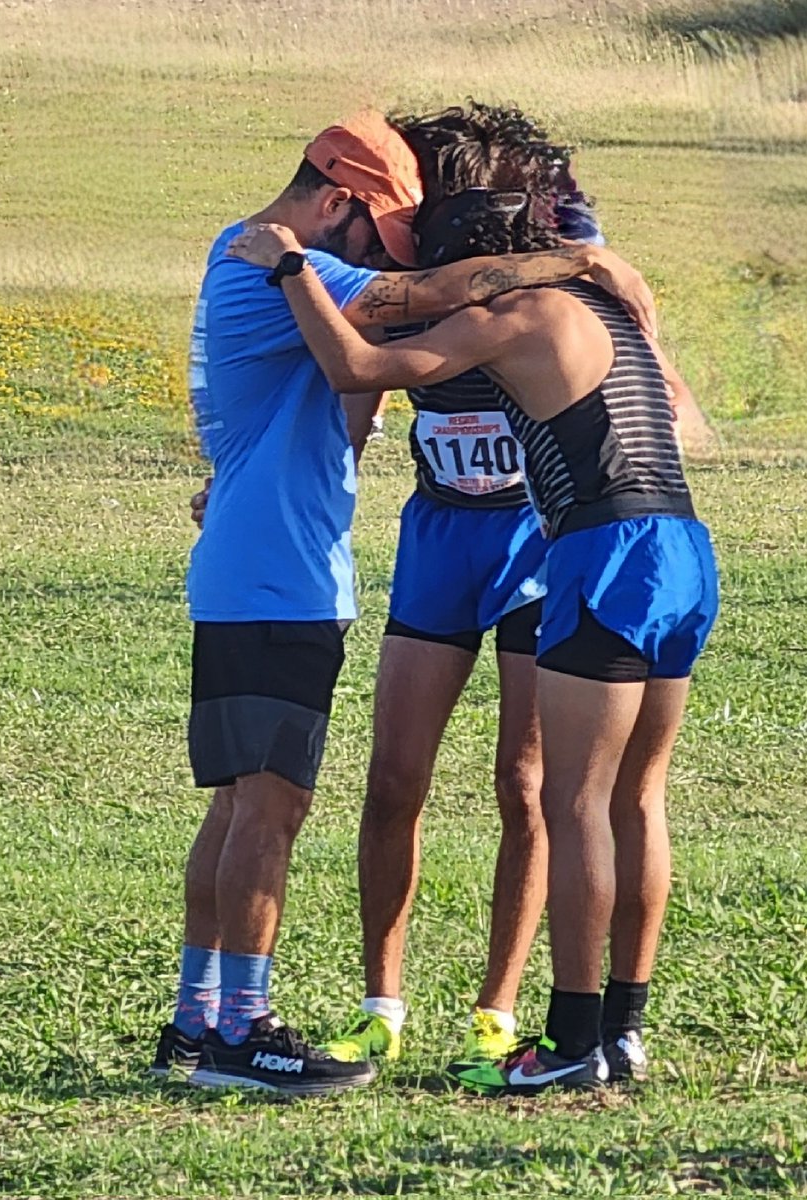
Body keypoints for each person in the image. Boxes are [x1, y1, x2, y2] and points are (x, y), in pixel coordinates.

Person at [153, 109, 660, 1097]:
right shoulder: (281, 260)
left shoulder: (269, 264)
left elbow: (343, 390)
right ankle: (243, 1031)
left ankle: (199, 1022)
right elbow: (413, 304)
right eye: (378, 232)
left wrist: (244, 473)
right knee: (273, 802)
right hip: (278, 573)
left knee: (249, 805)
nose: (386, 255)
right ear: (341, 199)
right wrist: (577, 264)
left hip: (285, 563)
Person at [320, 104, 667, 1080]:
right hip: (438, 539)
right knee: (393, 782)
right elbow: (354, 408)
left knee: (528, 785)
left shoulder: (530, 278)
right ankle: (380, 1006)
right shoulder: (413, 288)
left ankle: (498, 1012)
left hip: (533, 542)